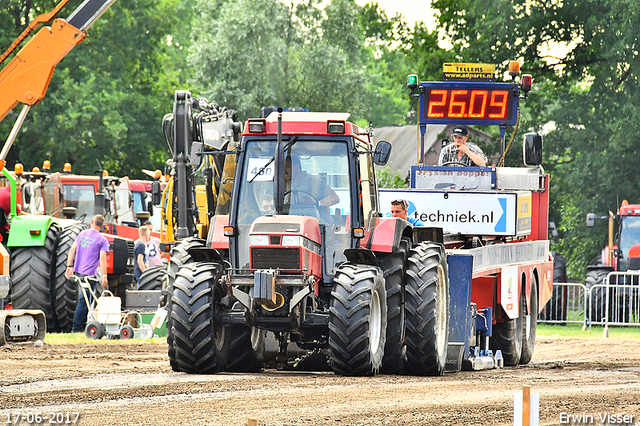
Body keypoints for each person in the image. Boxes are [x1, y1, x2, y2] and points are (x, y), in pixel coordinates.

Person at [65, 214, 109, 333]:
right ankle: (77, 328)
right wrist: (104, 276)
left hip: (79, 272)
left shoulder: (82, 234)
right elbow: (103, 258)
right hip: (89, 274)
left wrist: (69, 266)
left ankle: (80, 326)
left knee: (84, 300)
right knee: (85, 301)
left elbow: (72, 250)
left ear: (92, 221)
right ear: (102, 225)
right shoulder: (102, 240)